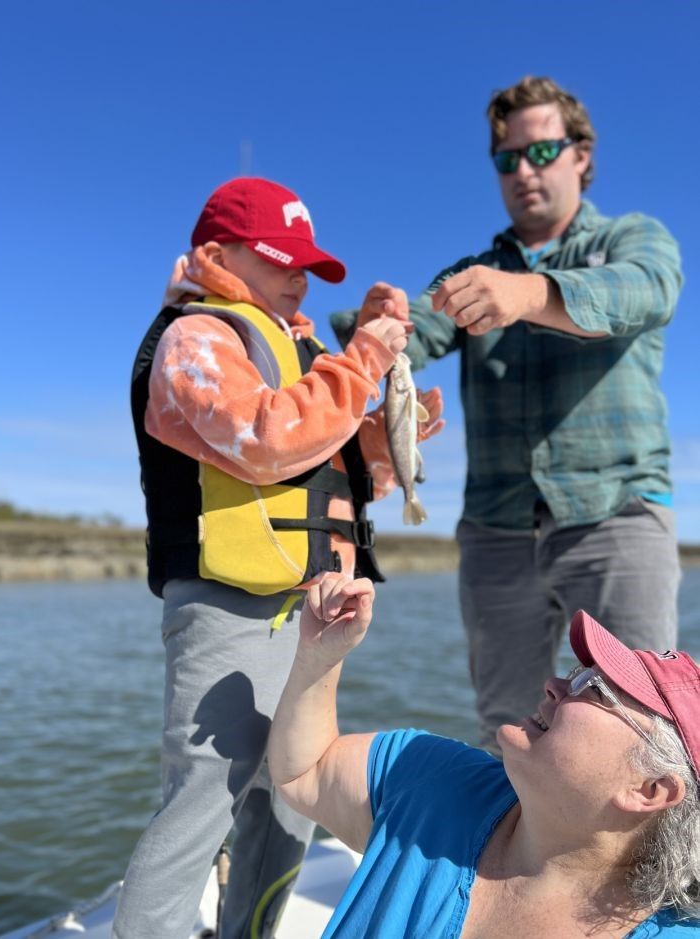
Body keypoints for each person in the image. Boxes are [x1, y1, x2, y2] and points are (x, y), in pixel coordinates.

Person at [115, 177, 443, 939]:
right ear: (215, 253)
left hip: (312, 609)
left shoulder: (300, 349)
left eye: (307, 265)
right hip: (230, 605)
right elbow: (266, 440)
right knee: (205, 797)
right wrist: (362, 357)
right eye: (281, 259)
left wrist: (385, 435)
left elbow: (322, 459)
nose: (299, 277)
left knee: (294, 794)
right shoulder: (194, 338)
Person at [331, 75, 685, 753]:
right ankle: (519, 858)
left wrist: (529, 293)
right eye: (507, 159)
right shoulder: (472, 272)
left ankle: (654, 863)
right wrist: (378, 320)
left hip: (617, 512)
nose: (524, 171)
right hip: (495, 528)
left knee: (642, 730)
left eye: (542, 152)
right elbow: (417, 333)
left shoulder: (636, 238)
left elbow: (645, 293)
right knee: (508, 731)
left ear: (581, 154)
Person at [268, 571, 700, 937]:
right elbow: (305, 771)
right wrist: (319, 656)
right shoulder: (432, 778)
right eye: (577, 671)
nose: (555, 683)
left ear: (650, 789)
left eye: (596, 689)